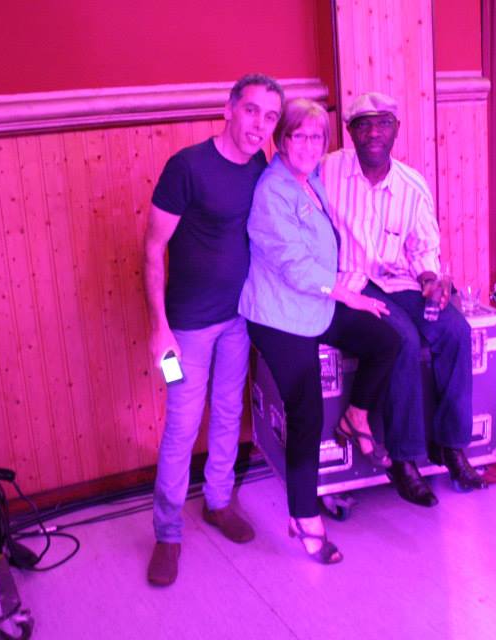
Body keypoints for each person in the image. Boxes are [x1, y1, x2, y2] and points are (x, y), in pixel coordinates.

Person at [240, 98, 400, 564]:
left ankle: (357, 416)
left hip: (316, 302)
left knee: (385, 340)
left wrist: (347, 284)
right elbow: (293, 265)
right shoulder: (272, 191)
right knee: (306, 412)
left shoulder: (310, 180)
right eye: (300, 136)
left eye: (317, 137)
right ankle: (304, 515)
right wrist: (346, 294)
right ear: (282, 140)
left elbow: (321, 249)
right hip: (279, 315)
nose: (310, 145)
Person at [143, 73, 285, 586]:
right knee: (181, 426)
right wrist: (159, 329)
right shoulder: (186, 167)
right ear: (228, 109)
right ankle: (167, 533)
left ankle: (218, 501)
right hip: (183, 330)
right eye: (251, 110)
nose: (260, 125)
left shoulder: (261, 167)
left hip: (238, 321)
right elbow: (152, 249)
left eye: (270, 117)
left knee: (228, 412)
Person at [321, 92, 488, 508]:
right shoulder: (327, 171)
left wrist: (431, 279)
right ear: (350, 132)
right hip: (351, 283)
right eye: (363, 124)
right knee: (403, 340)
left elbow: (423, 249)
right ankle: (404, 457)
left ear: (396, 129)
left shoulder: (412, 185)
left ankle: (451, 445)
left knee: (455, 330)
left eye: (383, 124)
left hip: (400, 281)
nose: (373, 133)